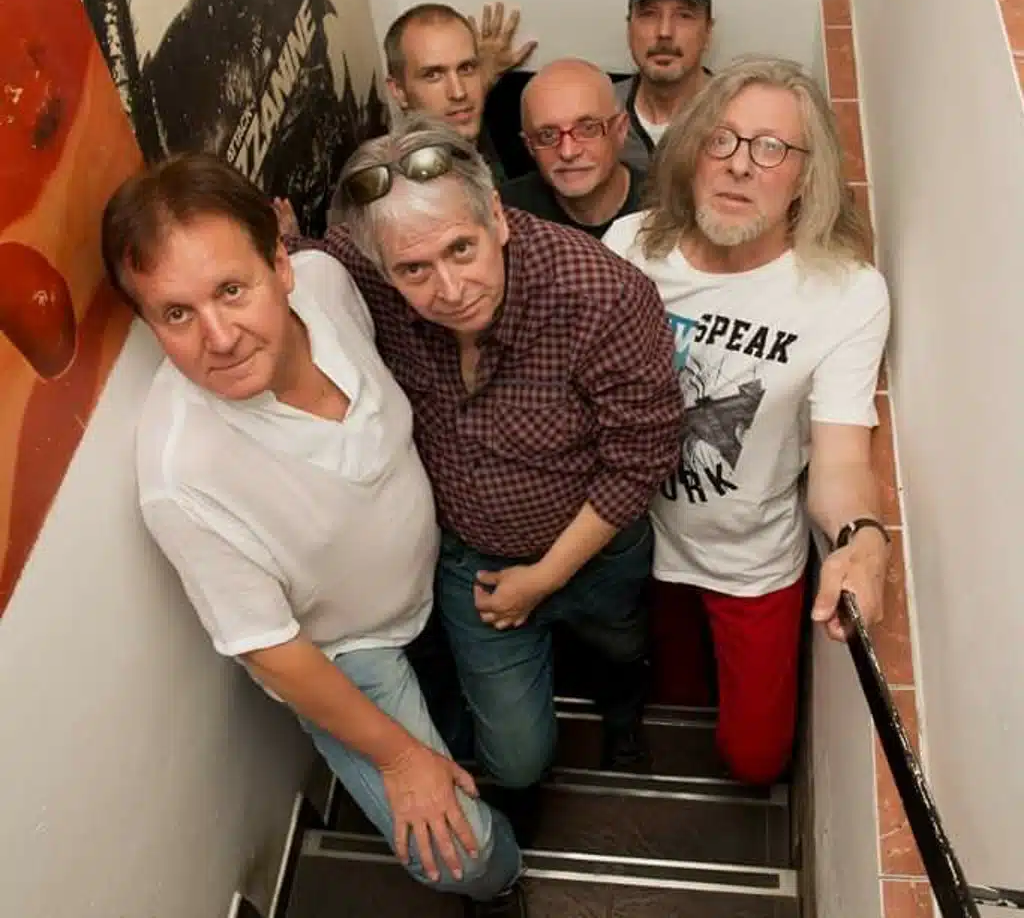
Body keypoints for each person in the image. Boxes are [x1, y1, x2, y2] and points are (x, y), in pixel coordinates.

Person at [101, 153, 527, 917]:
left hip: (436, 577)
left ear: (280, 265)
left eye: (232, 290)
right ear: (146, 321)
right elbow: (269, 649)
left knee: (497, 743)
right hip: (346, 651)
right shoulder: (181, 473)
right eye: (176, 314)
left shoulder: (329, 286)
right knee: (457, 853)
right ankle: (503, 887)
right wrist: (401, 759)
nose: (219, 337)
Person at [289, 113, 681, 800]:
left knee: (621, 650)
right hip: (473, 565)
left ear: (496, 217)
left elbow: (641, 458)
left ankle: (624, 717)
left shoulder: (604, 297)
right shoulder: (363, 266)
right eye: (414, 270)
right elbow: (305, 265)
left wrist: (545, 577)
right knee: (518, 761)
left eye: (462, 250)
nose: (448, 289)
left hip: (596, 553)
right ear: (382, 266)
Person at [604, 56, 891, 786]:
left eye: (770, 148)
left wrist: (863, 537)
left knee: (756, 759)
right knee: (671, 700)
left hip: (750, 559)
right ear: (692, 152)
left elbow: (841, 459)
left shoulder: (844, 294)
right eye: (722, 140)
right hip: (634, 538)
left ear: (805, 176)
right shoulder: (631, 245)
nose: (739, 165)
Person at [383, 2, 536, 183]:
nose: (458, 92)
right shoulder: (401, 187)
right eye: (433, 75)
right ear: (399, 91)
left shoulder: (512, 117)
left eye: (466, 68)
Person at [499, 59, 645, 240]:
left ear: (621, 130)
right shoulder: (505, 216)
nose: (567, 152)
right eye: (547, 135)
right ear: (529, 146)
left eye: (588, 129)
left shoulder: (667, 207)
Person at [614, 0, 715, 170]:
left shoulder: (739, 115)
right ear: (629, 28)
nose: (664, 32)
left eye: (684, 16)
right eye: (649, 14)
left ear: (708, 31)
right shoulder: (599, 115)